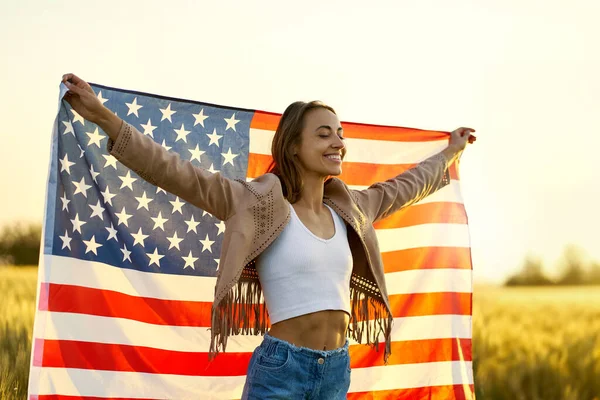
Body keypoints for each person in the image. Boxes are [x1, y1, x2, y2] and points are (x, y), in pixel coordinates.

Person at [61, 73, 475, 399]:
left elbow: (406, 186)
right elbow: (174, 172)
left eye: (340, 133)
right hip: (282, 369)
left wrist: (450, 152)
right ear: (293, 146)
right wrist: (101, 115)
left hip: (335, 370)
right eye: (325, 133)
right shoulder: (253, 201)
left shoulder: (352, 208)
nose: (339, 142)